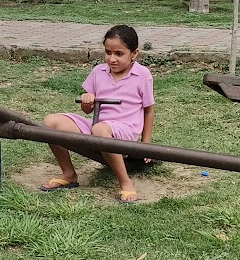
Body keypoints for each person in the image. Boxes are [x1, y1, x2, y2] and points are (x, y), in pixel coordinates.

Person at [39, 24, 155, 204]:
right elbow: (88, 110)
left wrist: (146, 145)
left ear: (134, 54)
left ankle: (125, 182)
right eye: (108, 53)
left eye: (119, 54)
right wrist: (88, 101)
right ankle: (69, 173)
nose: (112, 59)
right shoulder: (98, 72)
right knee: (51, 122)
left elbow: (148, 109)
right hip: (98, 126)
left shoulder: (142, 75)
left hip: (125, 130)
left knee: (100, 129)